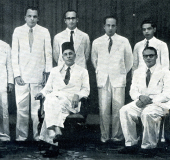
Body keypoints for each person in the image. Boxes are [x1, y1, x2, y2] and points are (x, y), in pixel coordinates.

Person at [35, 42, 90, 158]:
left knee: (50, 101)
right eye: (65, 54)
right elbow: (48, 88)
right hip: (57, 102)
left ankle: (54, 129)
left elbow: (86, 90)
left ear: (75, 55)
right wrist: (41, 93)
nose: (68, 56)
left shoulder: (83, 71)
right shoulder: (55, 71)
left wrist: (78, 95)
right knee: (51, 100)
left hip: (71, 103)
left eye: (71, 54)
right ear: (62, 57)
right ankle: (55, 139)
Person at [119, 47, 170, 157]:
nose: (148, 58)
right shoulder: (138, 72)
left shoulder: (165, 72)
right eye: (145, 56)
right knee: (125, 110)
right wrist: (140, 97)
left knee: (147, 114)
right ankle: (131, 144)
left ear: (156, 56)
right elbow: (133, 91)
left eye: (151, 55)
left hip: (159, 103)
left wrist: (150, 100)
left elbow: (167, 93)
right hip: (141, 101)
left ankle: (149, 147)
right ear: (143, 57)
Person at [12, 6, 52, 142]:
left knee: (37, 110)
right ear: (25, 17)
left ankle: (38, 136)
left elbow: (48, 53)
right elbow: (14, 54)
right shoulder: (18, 31)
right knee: (21, 109)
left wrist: (47, 74)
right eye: (30, 16)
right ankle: (21, 137)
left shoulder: (44, 31)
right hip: (22, 77)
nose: (32, 19)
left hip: (38, 76)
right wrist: (17, 74)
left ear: (38, 18)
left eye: (35, 16)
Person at [91, 16, 133, 146]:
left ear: (116, 26)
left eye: (113, 25)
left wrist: (120, 73)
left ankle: (117, 137)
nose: (110, 28)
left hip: (118, 79)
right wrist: (102, 71)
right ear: (104, 26)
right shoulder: (97, 42)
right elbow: (94, 60)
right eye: (108, 25)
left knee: (118, 109)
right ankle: (104, 137)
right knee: (103, 109)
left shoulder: (123, 41)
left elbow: (129, 61)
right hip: (103, 79)